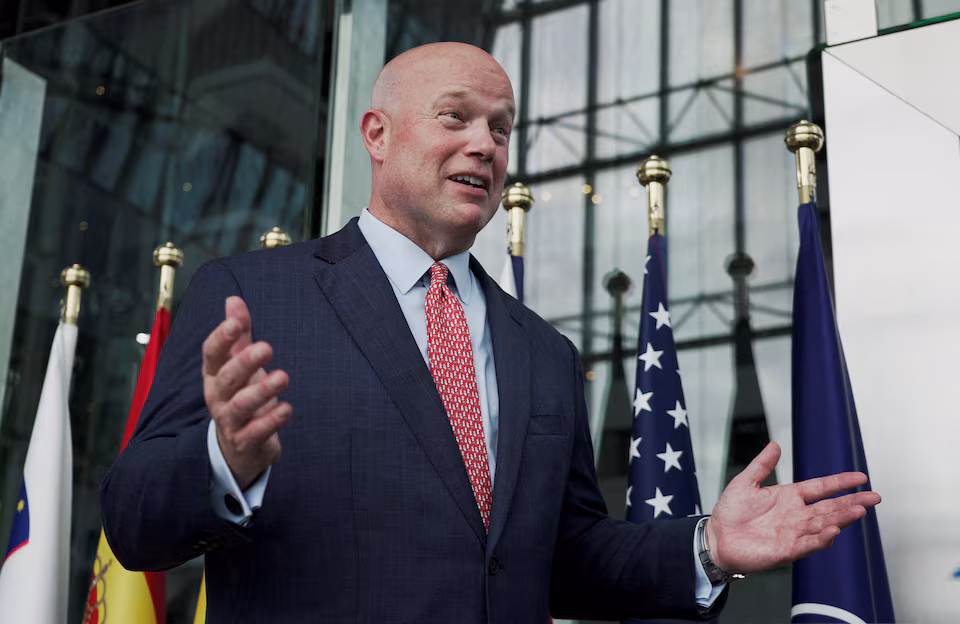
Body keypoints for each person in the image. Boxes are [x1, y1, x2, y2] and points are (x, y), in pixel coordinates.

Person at [100, 42, 880, 623]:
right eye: (457, 117)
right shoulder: (254, 296)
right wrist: (223, 463)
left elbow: (565, 558)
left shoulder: (544, 352)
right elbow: (133, 523)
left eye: (501, 129)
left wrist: (706, 546)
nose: (485, 144)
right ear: (377, 134)